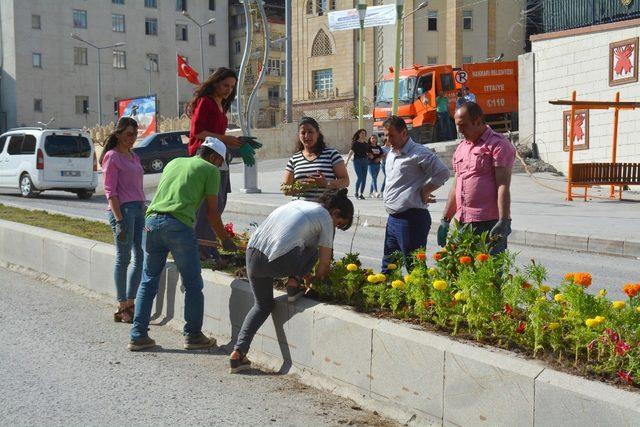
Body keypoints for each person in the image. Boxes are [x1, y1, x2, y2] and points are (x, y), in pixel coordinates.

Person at [128, 137, 238, 351]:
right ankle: (193, 335)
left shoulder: (174, 162)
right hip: (178, 225)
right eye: (219, 162)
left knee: (149, 281)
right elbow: (212, 212)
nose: (218, 167)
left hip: (151, 223)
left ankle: (138, 335)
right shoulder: (210, 170)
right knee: (193, 284)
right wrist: (225, 240)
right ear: (214, 157)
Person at [228, 190, 354, 373]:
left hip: (252, 257)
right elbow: (325, 262)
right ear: (335, 212)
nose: (334, 227)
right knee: (316, 246)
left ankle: (238, 353)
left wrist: (304, 273)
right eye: (338, 224)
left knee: (263, 305)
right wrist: (318, 286)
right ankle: (293, 283)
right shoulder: (325, 217)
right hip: (278, 260)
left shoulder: (296, 204)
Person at [439, 102, 516, 255]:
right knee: (465, 274)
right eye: (457, 126)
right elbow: (456, 186)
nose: (460, 131)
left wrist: (504, 220)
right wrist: (445, 219)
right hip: (463, 222)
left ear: (478, 121)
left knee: (489, 274)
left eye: (464, 125)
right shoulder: (462, 147)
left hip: (488, 223)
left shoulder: (498, 145)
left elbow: (503, 185)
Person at [186, 67, 242, 261]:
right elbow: (197, 133)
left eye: (232, 87)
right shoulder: (205, 102)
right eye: (225, 85)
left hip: (220, 160)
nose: (228, 89)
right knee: (207, 205)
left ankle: (208, 245)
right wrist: (226, 139)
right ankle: (201, 248)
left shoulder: (221, 104)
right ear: (216, 82)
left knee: (219, 202)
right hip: (205, 160)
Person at [381, 116, 450, 273]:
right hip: (393, 218)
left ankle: (423, 298)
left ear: (404, 133)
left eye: (391, 135)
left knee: (415, 268)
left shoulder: (419, 153)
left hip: (411, 220)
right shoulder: (391, 153)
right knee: (389, 266)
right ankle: (390, 297)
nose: (387, 139)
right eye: (385, 135)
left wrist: (425, 190)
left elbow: (443, 173)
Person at [100, 117, 145, 324]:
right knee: (124, 258)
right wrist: (119, 221)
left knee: (140, 256)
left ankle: (131, 300)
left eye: (135, 134)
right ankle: (122, 304)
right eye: (128, 134)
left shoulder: (134, 156)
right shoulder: (112, 157)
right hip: (123, 212)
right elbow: (110, 192)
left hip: (138, 208)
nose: (132, 138)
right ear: (118, 134)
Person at [283, 117, 349, 201]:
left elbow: (345, 181)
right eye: (303, 133)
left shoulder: (332, 155)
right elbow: (285, 189)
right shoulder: (294, 159)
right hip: (300, 210)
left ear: (317, 133)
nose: (307, 136)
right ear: (299, 135)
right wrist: (300, 187)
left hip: (324, 210)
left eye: (310, 132)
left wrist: (326, 183)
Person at [345, 129, 369, 200]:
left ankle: (361, 194)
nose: (363, 135)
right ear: (359, 134)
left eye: (364, 133)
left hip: (365, 161)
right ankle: (356, 193)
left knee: (364, 178)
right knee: (360, 177)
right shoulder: (355, 143)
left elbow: (367, 153)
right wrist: (347, 161)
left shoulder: (366, 144)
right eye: (362, 133)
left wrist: (370, 156)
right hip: (357, 161)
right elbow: (351, 151)